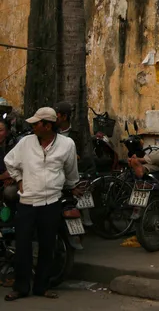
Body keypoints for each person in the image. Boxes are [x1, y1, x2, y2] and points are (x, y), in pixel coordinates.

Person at [4, 107, 80, 302]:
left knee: (48, 247)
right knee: (23, 247)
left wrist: (72, 186)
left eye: (36, 123)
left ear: (47, 125)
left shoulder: (67, 144)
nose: (33, 126)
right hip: (27, 202)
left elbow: (71, 170)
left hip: (51, 202)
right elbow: (9, 161)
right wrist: (19, 178)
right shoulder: (26, 143)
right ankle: (21, 287)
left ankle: (41, 286)